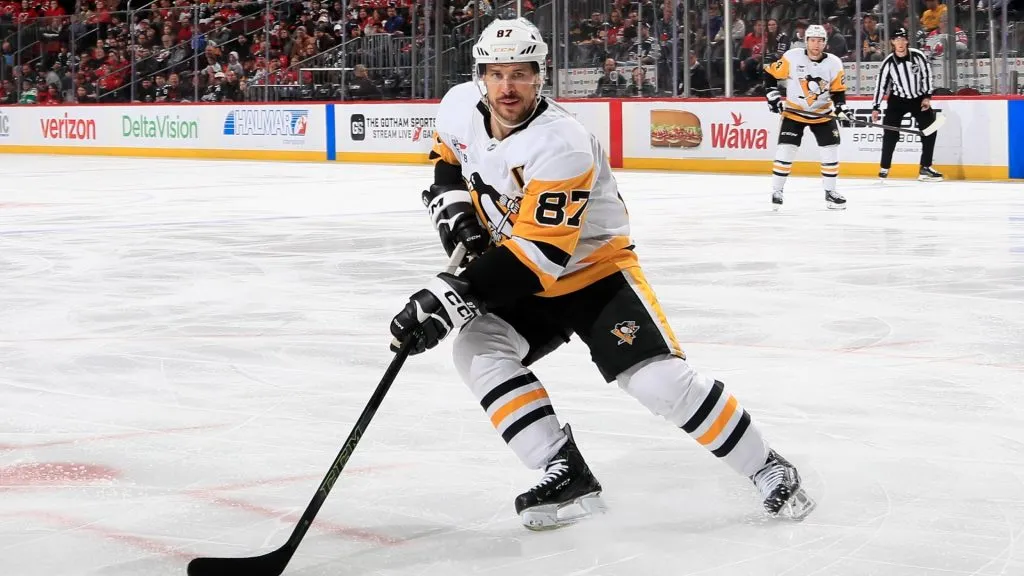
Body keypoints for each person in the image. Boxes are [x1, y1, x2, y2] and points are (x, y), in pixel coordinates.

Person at [387, 17, 816, 531]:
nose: (507, 86)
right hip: (520, 269)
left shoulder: (560, 141)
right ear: (480, 74)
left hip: (593, 271)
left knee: (658, 382)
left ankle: (766, 464)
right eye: (496, 73)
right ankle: (565, 471)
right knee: (477, 350)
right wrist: (457, 215)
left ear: (539, 75)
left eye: (520, 73)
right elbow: (447, 160)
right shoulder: (458, 105)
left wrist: (449, 297)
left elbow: (541, 254)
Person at [763, 24, 849, 210]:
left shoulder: (834, 63)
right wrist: (772, 96)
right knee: (786, 150)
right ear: (806, 41)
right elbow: (770, 72)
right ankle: (777, 190)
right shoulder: (792, 57)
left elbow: (838, 91)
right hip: (794, 112)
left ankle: (830, 193)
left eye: (820, 41)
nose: (816, 44)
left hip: (823, 113)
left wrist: (841, 108)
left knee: (830, 150)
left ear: (825, 43)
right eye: (812, 40)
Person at [870, 27, 943, 182]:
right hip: (897, 100)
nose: (900, 42)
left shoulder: (918, 56)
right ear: (892, 42)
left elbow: (927, 75)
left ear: (907, 41)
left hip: (918, 99)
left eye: (903, 39)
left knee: (930, 130)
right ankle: (884, 167)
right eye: (897, 40)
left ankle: (925, 167)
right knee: (890, 134)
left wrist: (927, 97)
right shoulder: (888, 63)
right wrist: (875, 107)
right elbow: (881, 85)